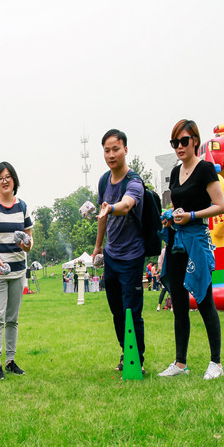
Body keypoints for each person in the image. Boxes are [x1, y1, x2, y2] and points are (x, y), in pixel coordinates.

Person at [158, 119, 224, 380]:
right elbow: (177, 205)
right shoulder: (175, 172)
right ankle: (180, 362)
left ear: (195, 140)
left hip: (197, 238)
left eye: (183, 141)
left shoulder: (206, 169)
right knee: (178, 300)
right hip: (176, 240)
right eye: (175, 143)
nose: (179, 147)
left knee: (204, 299)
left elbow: (220, 206)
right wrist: (171, 216)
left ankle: (216, 363)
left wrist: (193, 215)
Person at [91, 129, 146, 373]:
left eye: (116, 149)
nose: (111, 154)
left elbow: (126, 205)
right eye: (107, 150)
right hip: (111, 256)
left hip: (132, 256)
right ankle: (126, 352)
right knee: (116, 310)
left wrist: (111, 207)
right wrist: (98, 246)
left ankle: (138, 361)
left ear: (125, 150)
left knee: (131, 310)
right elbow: (102, 216)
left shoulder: (133, 181)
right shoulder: (104, 180)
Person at [0, 161, 33, 380]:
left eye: (8, 176)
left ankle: (10, 360)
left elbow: (29, 240)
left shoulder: (23, 206)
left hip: (18, 269)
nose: (5, 181)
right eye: (0, 178)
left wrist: (26, 244)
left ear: (14, 180)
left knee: (12, 318)